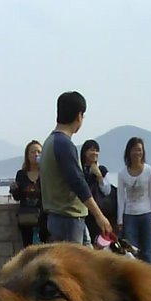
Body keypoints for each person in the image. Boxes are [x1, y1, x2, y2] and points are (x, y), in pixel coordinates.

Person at [39, 91, 112, 244]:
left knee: (87, 264)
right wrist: (99, 216)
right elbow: (77, 182)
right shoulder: (64, 144)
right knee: (74, 267)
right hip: (68, 219)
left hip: (60, 217)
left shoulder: (49, 142)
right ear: (79, 115)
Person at [117, 137, 151, 263]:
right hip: (130, 214)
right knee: (130, 251)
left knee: (148, 249)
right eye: (134, 150)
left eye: (140, 150)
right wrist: (120, 218)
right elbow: (121, 196)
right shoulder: (122, 173)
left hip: (146, 213)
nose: (137, 153)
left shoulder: (149, 171)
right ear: (129, 152)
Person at [9, 140, 47, 247]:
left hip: (44, 218)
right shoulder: (21, 174)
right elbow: (18, 197)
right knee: (28, 249)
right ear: (27, 155)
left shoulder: (46, 173)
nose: (36, 155)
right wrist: (14, 189)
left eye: (39, 152)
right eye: (33, 152)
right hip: (26, 219)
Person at [80, 139, 117, 244]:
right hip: (84, 212)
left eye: (96, 150)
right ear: (84, 152)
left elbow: (107, 191)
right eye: (91, 150)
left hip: (99, 211)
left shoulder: (102, 169)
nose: (94, 153)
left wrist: (99, 176)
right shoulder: (80, 170)